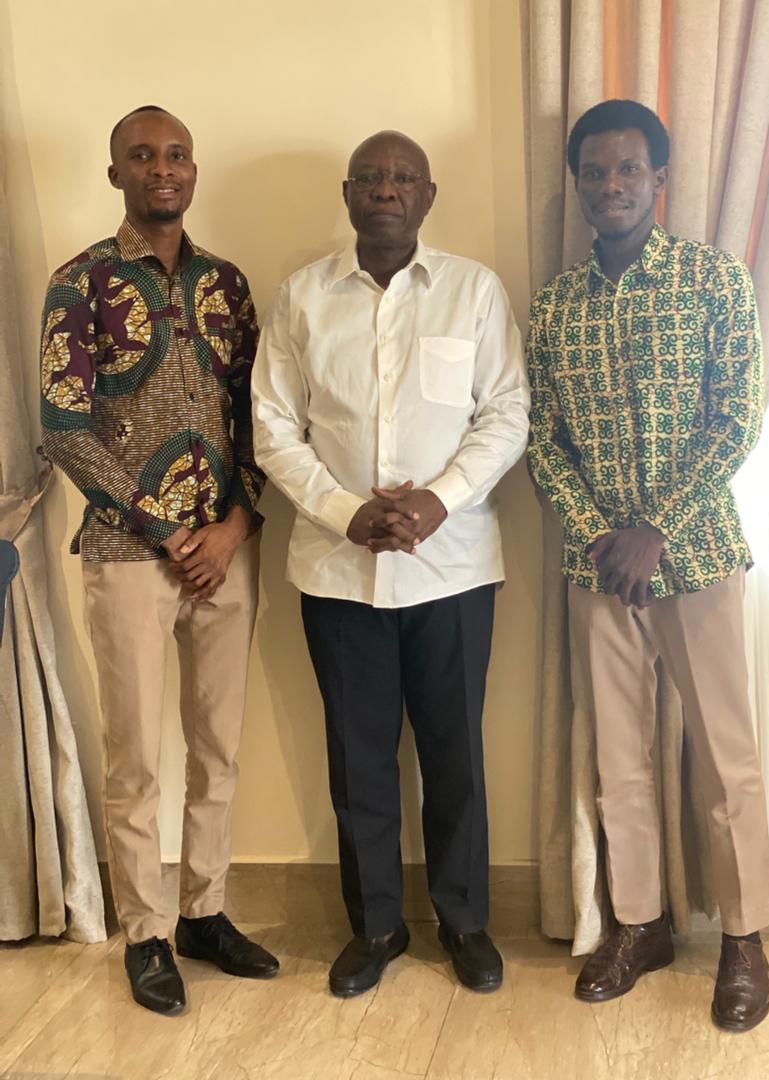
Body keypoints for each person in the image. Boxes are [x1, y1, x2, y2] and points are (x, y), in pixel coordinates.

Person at [252, 130, 529, 997]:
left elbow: (506, 412)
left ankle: (464, 921)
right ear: (347, 194)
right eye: (370, 177)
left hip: (453, 569)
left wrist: (438, 500)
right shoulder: (302, 298)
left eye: (403, 177)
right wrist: (347, 511)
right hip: (338, 572)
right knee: (358, 758)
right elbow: (272, 426)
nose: (386, 189)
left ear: (429, 195)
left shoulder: (474, 292)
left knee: (455, 755)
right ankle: (375, 926)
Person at [527, 98, 769, 1032]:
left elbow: (737, 420)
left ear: (659, 179)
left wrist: (658, 528)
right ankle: (639, 925)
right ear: (578, 185)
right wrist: (598, 532)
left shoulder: (714, 280)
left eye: (628, 169)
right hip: (598, 567)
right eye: (594, 172)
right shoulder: (554, 307)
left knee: (726, 758)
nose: (611, 186)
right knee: (618, 759)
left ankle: (745, 938)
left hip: (698, 554)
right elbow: (540, 438)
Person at [40, 105, 278, 1015]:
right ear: (117, 175)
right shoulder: (80, 283)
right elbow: (63, 424)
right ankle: (146, 933)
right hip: (129, 553)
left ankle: (204, 914)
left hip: (226, 552)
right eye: (142, 156)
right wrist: (164, 528)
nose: (163, 168)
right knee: (136, 756)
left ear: (194, 169)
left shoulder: (228, 285)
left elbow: (257, 415)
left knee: (219, 748)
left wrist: (234, 525)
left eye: (177, 154)